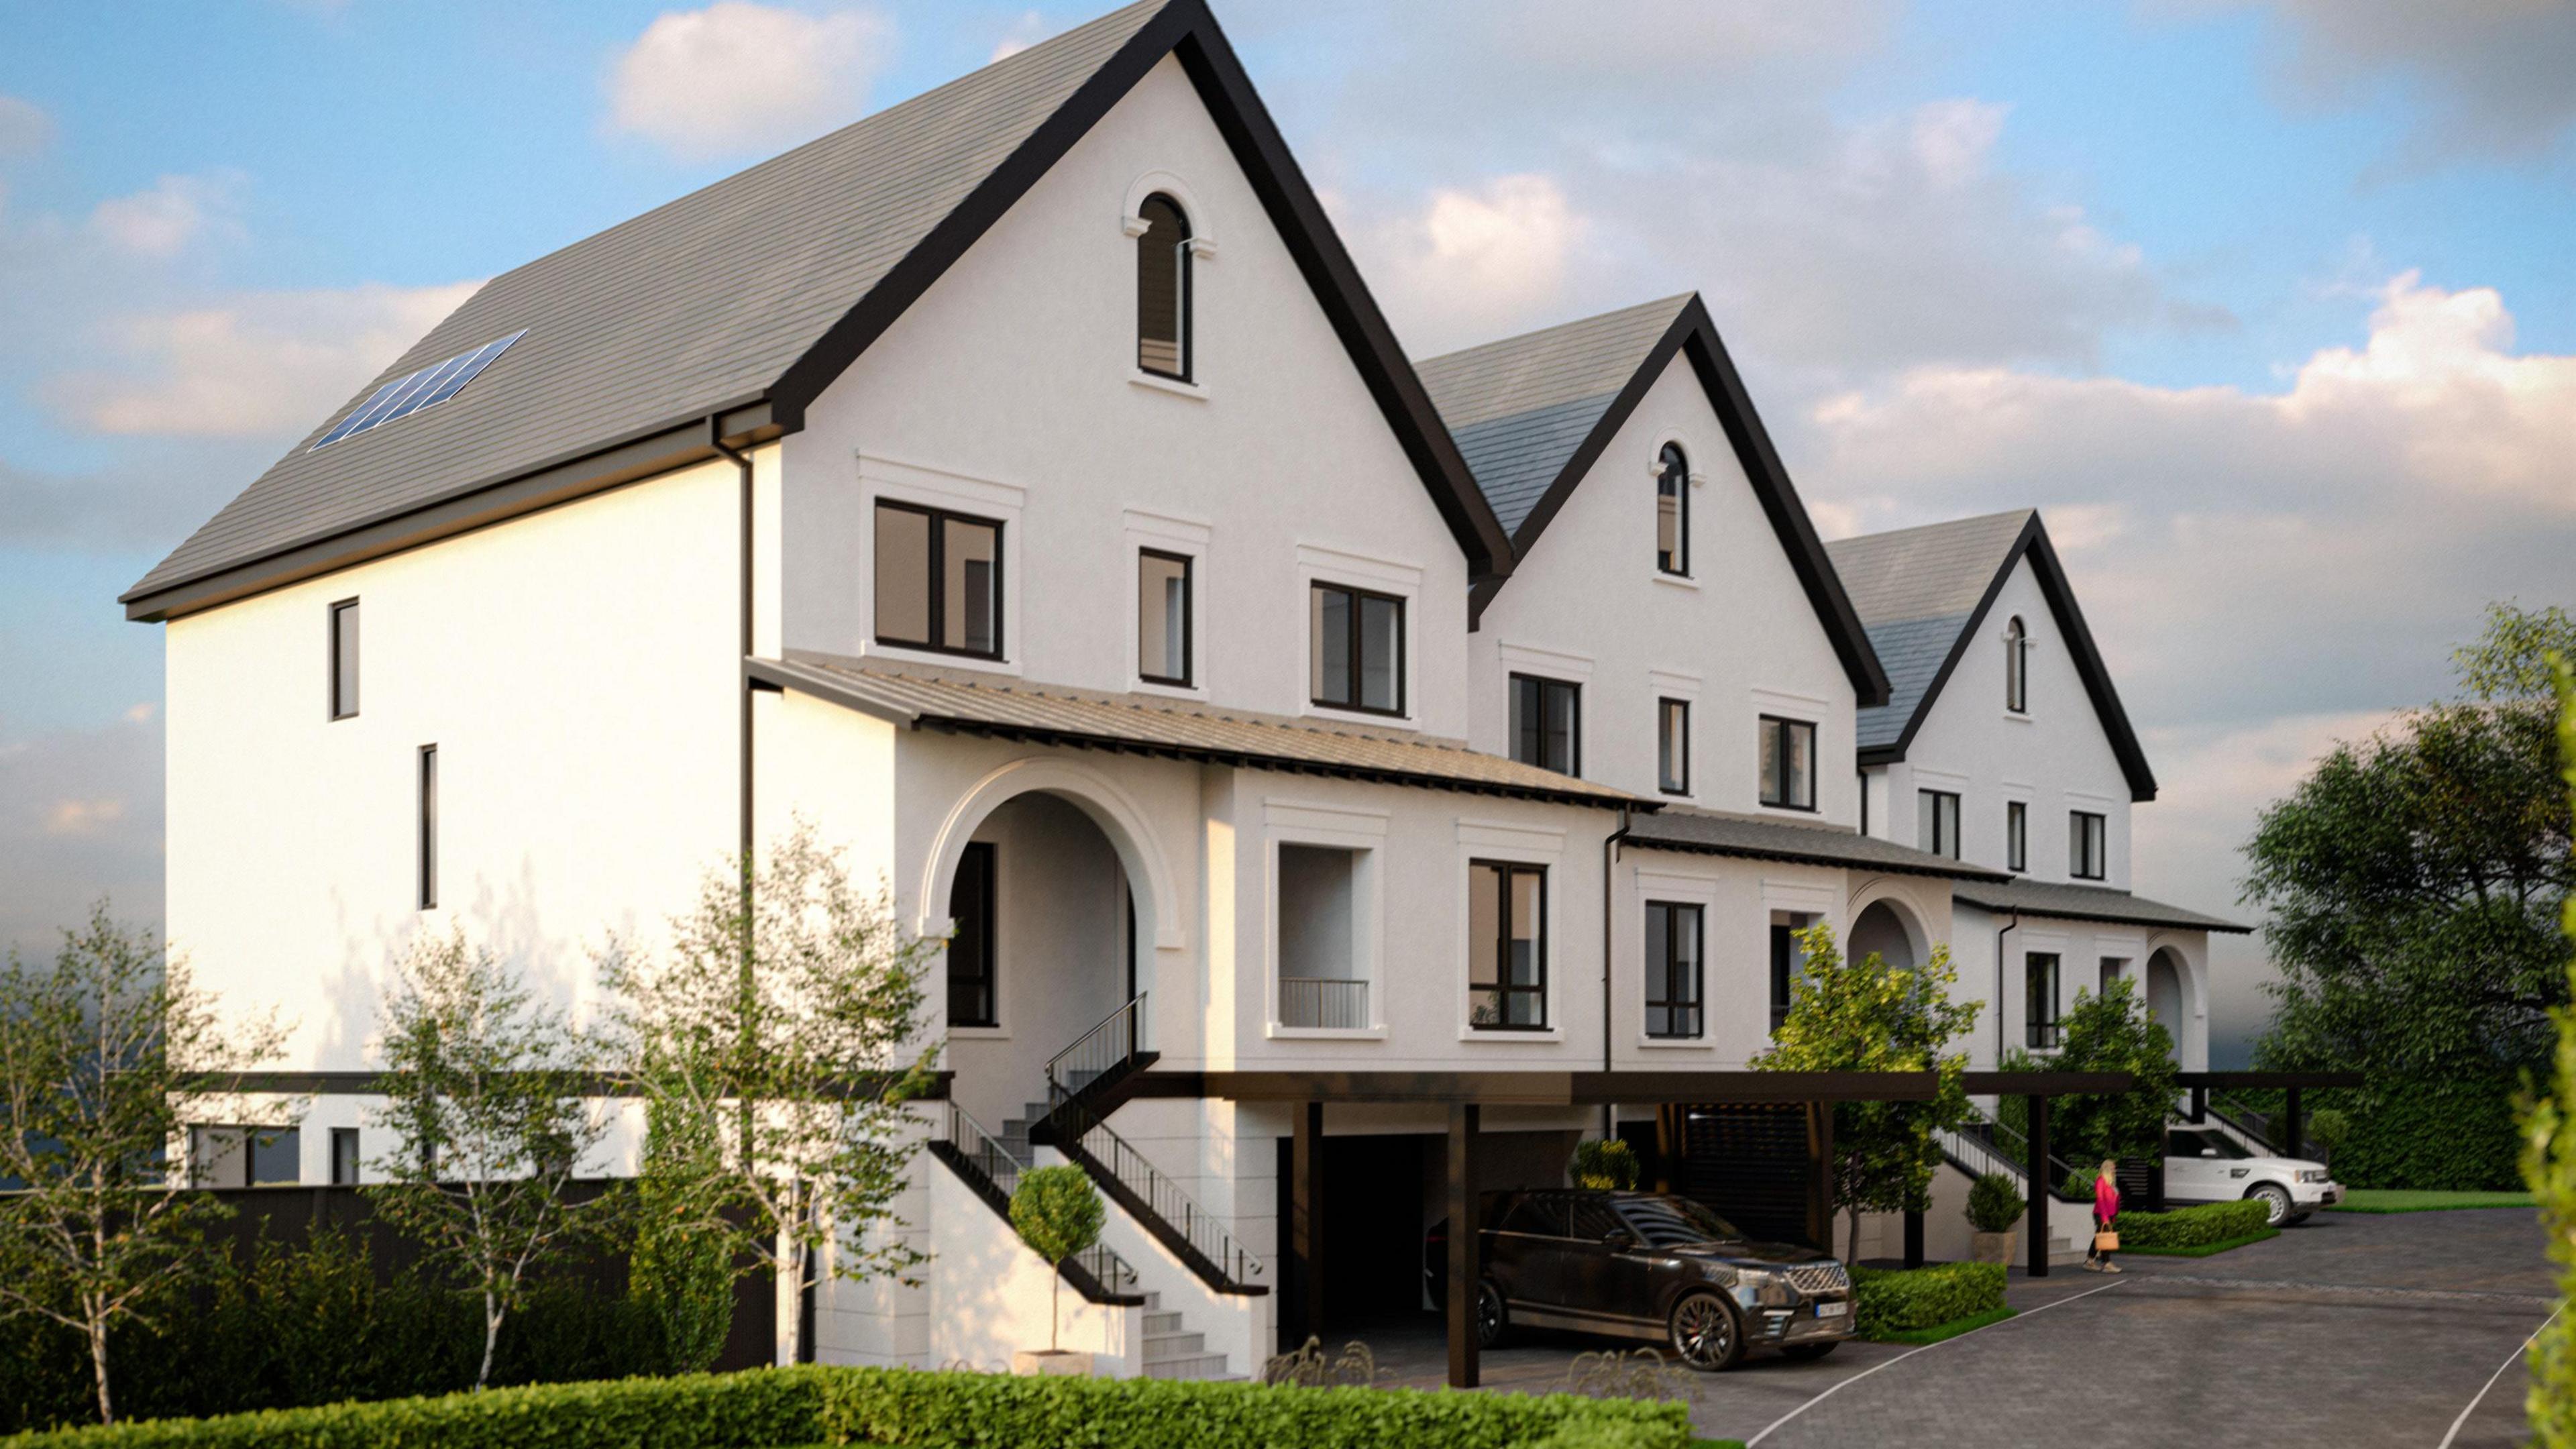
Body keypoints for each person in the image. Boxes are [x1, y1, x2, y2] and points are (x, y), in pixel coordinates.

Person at [2085, 1159, 2121, 1273]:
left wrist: (2113, 1216)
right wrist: (2105, 1218)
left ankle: (2090, 1261)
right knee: (2105, 1238)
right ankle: (2107, 1264)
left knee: (2099, 1238)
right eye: (2112, 1167)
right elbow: (2100, 1200)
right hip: (2101, 1214)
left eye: (2114, 1167)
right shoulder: (2101, 1181)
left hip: (2109, 1214)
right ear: (2106, 1168)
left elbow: (2113, 1201)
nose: (2114, 1169)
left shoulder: (2111, 1183)